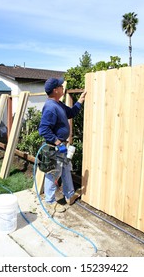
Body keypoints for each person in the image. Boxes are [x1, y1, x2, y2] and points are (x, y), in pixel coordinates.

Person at [38, 77, 87, 213]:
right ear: (55, 90)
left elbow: (71, 113)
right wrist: (57, 142)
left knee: (65, 169)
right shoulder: (50, 107)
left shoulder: (58, 104)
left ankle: (69, 195)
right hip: (55, 148)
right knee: (53, 174)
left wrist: (81, 99)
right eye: (60, 86)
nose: (62, 87)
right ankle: (50, 201)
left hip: (61, 147)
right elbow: (43, 129)